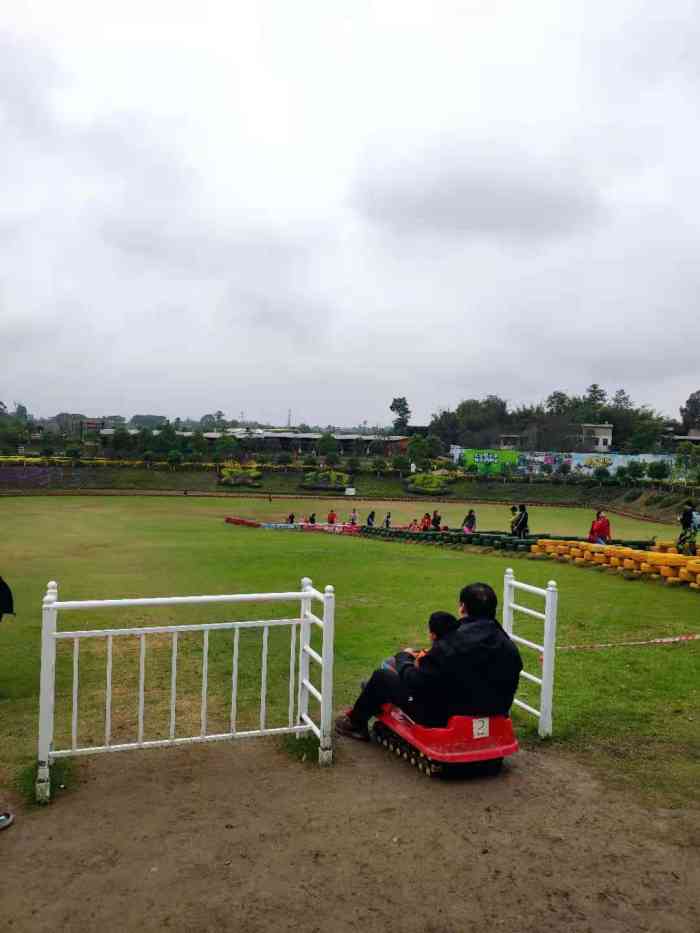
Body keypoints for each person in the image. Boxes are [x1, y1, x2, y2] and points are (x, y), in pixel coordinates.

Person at [335, 582, 523, 739]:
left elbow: (416, 683)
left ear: (462, 607)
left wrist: (404, 660)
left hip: (441, 715)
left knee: (382, 677)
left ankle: (356, 723)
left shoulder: (450, 643)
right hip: (494, 713)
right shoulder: (509, 647)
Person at [380, 612, 460, 673]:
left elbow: (412, 679)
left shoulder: (433, 658)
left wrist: (405, 656)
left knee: (386, 664)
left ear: (433, 635)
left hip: (430, 692)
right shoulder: (462, 646)